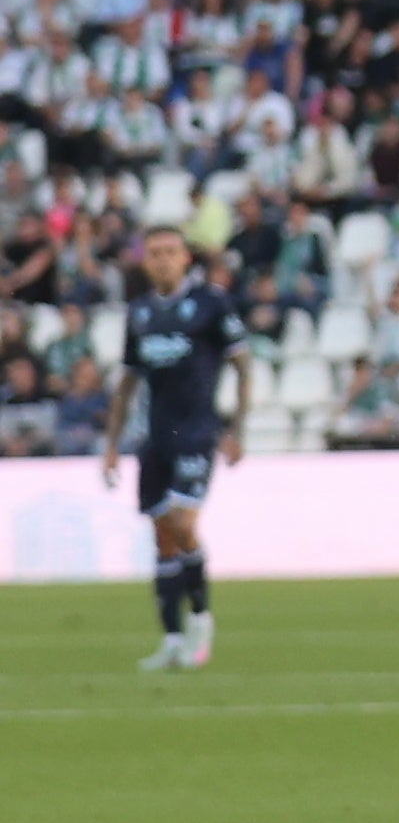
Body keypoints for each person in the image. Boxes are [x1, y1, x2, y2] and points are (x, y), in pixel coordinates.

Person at [101, 227, 252, 672]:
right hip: (155, 439)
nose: (163, 260)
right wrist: (111, 445)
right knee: (162, 537)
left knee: (184, 525)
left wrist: (236, 428)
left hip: (197, 433)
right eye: (154, 254)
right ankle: (170, 638)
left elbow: (243, 366)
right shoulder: (141, 312)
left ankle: (202, 618)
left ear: (186, 258)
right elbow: (126, 384)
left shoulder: (211, 304)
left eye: (170, 252)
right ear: (144, 262)